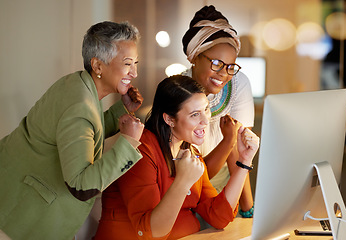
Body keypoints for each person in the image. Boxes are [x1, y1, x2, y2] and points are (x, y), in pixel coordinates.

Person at [0, 21, 145, 240]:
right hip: (20, 216)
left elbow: (80, 134)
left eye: (135, 63)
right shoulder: (79, 105)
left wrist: (120, 112)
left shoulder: (77, 84)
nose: (134, 72)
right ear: (97, 66)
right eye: (127, 63)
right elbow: (81, 186)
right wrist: (128, 143)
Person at [94, 75, 260, 239]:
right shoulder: (142, 151)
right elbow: (151, 232)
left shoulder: (190, 153)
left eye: (206, 110)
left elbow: (218, 216)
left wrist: (244, 162)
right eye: (195, 114)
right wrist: (183, 181)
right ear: (169, 119)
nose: (205, 121)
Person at [181, 5, 255, 217]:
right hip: (186, 191)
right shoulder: (177, 92)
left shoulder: (238, 83)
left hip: (226, 188)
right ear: (194, 57)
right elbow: (197, 176)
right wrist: (228, 140)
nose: (224, 73)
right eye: (216, 63)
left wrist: (247, 208)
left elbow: (240, 152)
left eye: (231, 66)